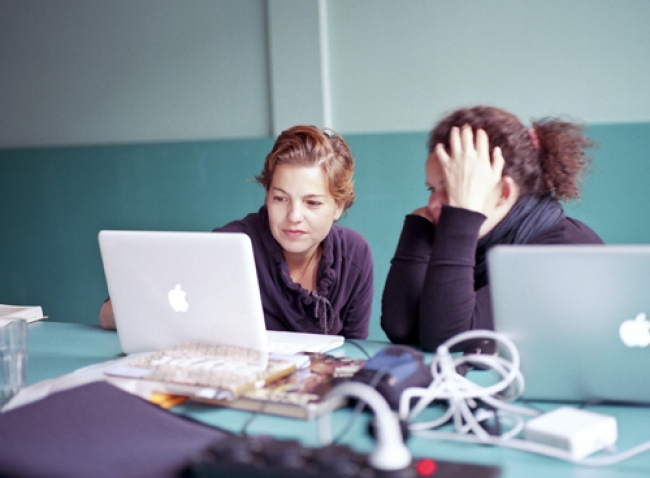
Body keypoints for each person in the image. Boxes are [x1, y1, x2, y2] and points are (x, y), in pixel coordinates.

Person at [100, 125, 373, 339]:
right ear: (267, 194)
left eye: (312, 203)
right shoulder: (230, 246)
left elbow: (354, 353)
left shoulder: (354, 255)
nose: (293, 216)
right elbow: (108, 314)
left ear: (338, 206)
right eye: (280, 198)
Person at [380, 106, 603, 353]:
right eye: (431, 189)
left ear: (504, 192)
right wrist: (419, 226)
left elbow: (447, 339)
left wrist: (461, 216)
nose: (433, 203)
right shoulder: (479, 239)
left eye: (452, 187)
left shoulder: (562, 252)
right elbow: (402, 328)